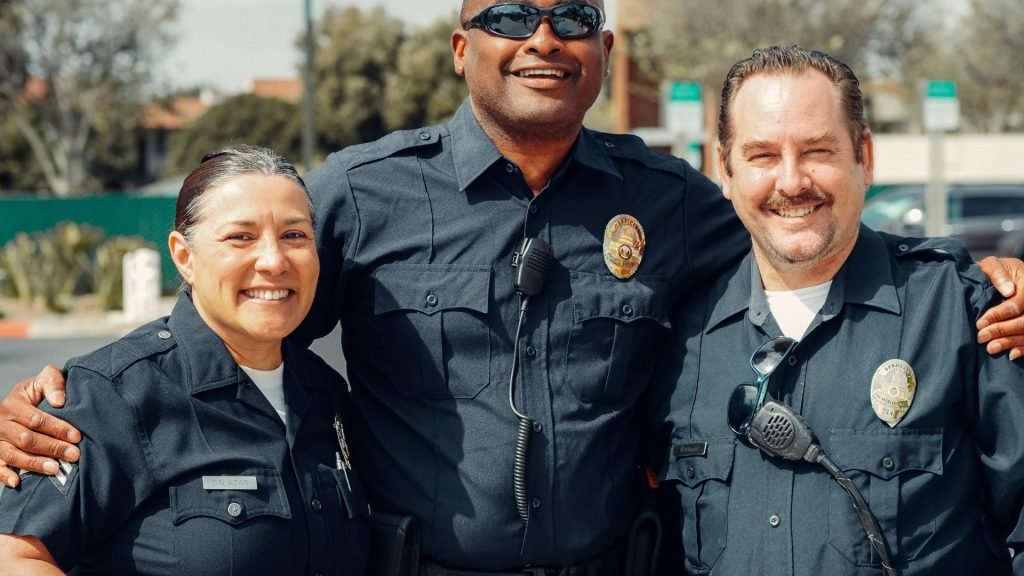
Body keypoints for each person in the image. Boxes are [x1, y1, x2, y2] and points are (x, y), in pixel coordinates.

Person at [2, 3, 1024, 574]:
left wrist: (983, 274)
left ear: (603, 52)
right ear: (461, 47)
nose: (543, 36)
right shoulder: (360, 192)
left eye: (572, 15)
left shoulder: (669, 199)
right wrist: (67, 398)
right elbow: (235, 301)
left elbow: (802, 223)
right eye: (509, 14)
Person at [655, 45, 1024, 575]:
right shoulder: (680, 335)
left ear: (864, 157)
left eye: (818, 151)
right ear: (726, 171)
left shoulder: (958, 308)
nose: (791, 181)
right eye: (762, 155)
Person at [0, 146, 369, 575]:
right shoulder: (113, 395)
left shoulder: (326, 395)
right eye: (240, 237)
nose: (273, 260)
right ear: (183, 256)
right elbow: (14, 554)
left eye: (294, 235)